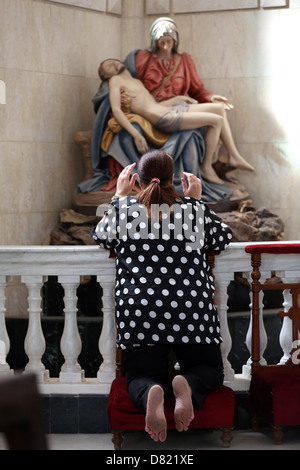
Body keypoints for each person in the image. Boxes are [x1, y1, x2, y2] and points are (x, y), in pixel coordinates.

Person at [91, 150, 233, 442]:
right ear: (174, 179)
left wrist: (118, 197)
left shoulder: (124, 210)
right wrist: (196, 201)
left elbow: (101, 235)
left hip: (140, 308)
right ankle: (188, 384)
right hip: (191, 307)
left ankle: (150, 391)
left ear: (137, 180)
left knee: (139, 373)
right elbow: (223, 237)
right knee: (209, 369)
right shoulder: (191, 209)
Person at [98, 58, 253, 185]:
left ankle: (234, 155)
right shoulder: (115, 80)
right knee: (216, 121)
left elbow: (155, 105)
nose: (111, 63)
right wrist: (135, 135)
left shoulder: (136, 82)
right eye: (107, 66)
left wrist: (178, 99)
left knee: (218, 108)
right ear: (106, 75)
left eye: (111, 61)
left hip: (166, 110)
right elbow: (117, 110)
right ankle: (206, 167)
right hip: (163, 119)